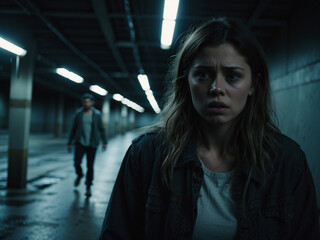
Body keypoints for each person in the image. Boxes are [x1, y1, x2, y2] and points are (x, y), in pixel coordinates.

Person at [99, 17, 320, 239]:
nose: (217, 88)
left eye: (232, 76)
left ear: (253, 84)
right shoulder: (147, 154)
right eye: (203, 74)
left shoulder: (287, 162)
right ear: (186, 81)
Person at [68, 93, 107, 197]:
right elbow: (73, 128)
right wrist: (69, 143)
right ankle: (80, 174)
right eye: (84, 102)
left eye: (88, 102)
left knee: (90, 166)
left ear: (92, 103)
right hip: (80, 143)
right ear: (83, 103)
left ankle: (88, 186)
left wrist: (104, 142)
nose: (86, 103)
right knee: (77, 162)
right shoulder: (79, 114)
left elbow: (102, 129)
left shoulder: (97, 114)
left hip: (92, 144)